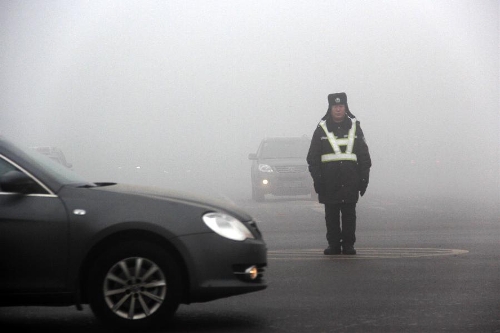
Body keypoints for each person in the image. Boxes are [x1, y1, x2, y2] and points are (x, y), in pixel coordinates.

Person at [307, 92, 372, 255]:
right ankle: (334, 245)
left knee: (349, 215)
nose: (338, 109)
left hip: (351, 181)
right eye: (335, 106)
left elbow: (364, 157)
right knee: (331, 216)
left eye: (341, 106)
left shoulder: (356, 128)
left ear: (346, 108)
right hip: (329, 183)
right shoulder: (321, 130)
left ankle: (349, 245)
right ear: (330, 108)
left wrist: (364, 179)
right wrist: (318, 180)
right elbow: (312, 158)